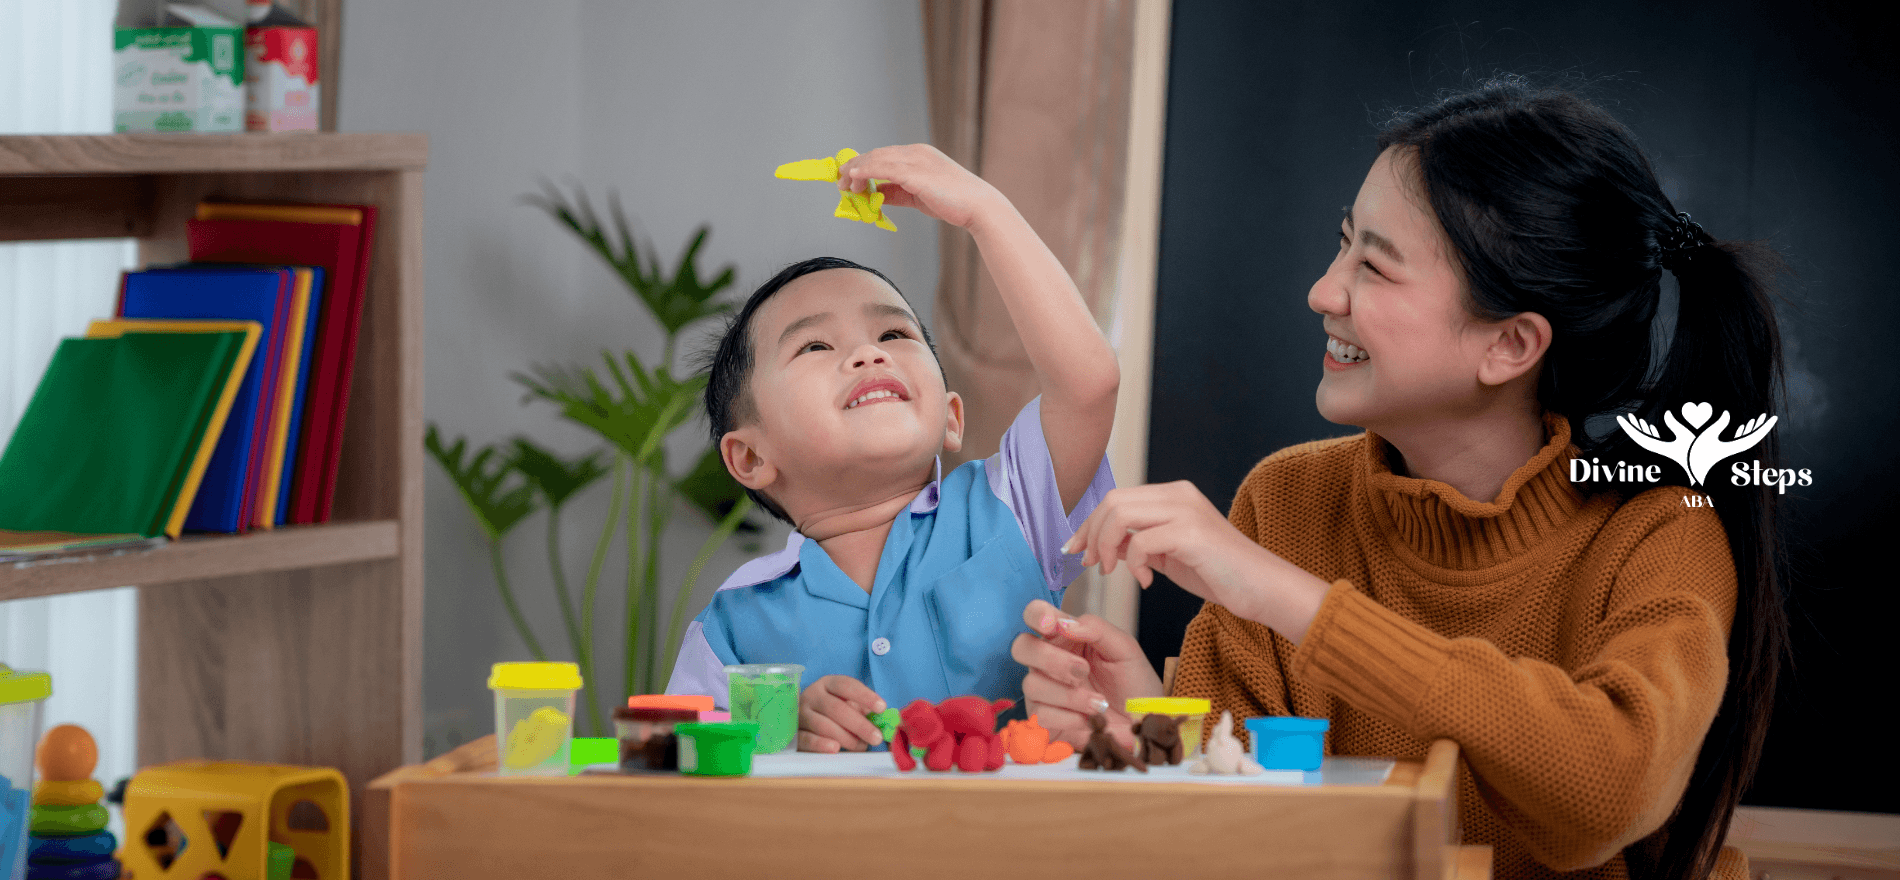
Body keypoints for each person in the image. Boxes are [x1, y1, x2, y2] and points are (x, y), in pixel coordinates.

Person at [1012, 78, 1787, 880]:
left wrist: (1291, 600)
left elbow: (1604, 792)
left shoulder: (1659, 529)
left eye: (1375, 268)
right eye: (1342, 242)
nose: (1323, 291)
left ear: (1511, 345)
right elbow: (1241, 825)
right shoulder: (1287, 502)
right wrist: (1142, 726)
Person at [665, 144, 1118, 754]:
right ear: (750, 457)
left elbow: (1087, 385)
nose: (868, 353)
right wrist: (779, 730)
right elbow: (674, 770)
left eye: (894, 333)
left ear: (951, 418)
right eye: (815, 347)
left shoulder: (1010, 508)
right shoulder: (732, 627)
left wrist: (983, 210)